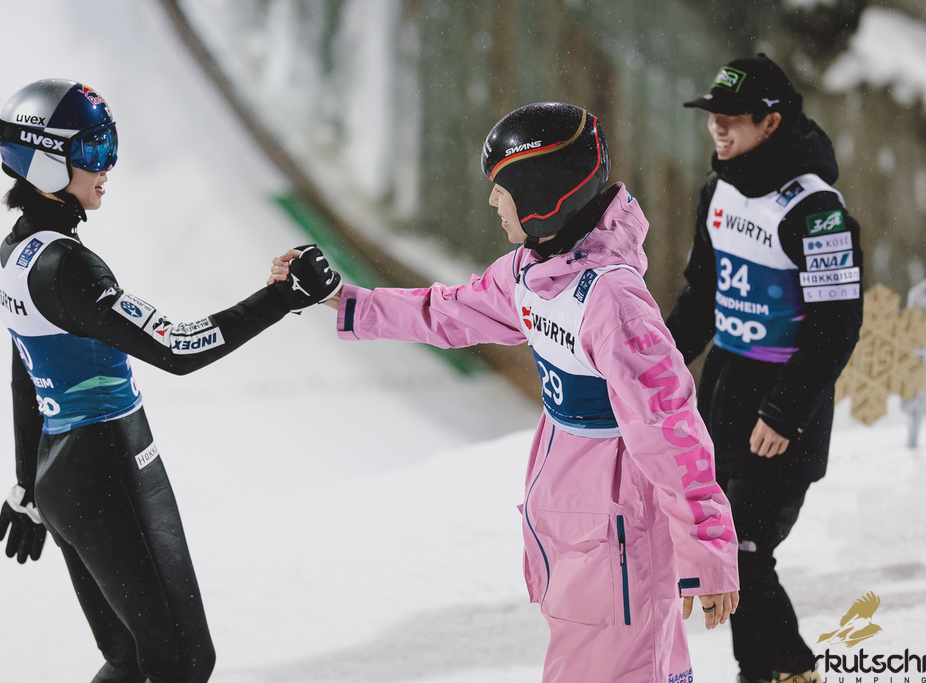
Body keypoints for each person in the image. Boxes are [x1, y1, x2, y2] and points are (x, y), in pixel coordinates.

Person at [270, 102, 739, 683]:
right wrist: (345, 300)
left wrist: (707, 548)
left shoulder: (611, 302)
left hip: (618, 537)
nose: (493, 201)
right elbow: (448, 313)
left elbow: (670, 428)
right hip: (580, 523)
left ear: (542, 194)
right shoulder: (532, 274)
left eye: (503, 187)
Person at [0, 78, 341, 683]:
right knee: (182, 661)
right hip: (111, 467)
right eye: (93, 151)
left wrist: (29, 484)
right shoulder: (70, 266)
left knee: (131, 660)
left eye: (110, 145)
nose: (108, 166)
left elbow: (26, 370)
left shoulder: (15, 252)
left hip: (64, 474)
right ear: (45, 161)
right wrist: (284, 296)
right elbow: (177, 348)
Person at [667, 54, 864, 683]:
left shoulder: (817, 210)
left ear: (771, 122)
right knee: (724, 551)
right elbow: (702, 298)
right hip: (725, 390)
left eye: (732, 118)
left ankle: (792, 670)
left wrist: (783, 411)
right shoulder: (717, 191)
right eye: (712, 117)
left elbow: (836, 330)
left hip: (784, 406)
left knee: (745, 552)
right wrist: (654, 368)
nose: (718, 128)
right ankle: (759, 673)